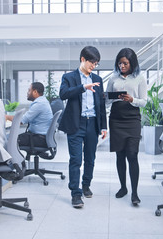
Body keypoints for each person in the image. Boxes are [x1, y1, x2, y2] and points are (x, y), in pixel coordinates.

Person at [59, 46, 107, 208]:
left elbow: (101, 104)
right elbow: (63, 94)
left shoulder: (98, 80)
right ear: (82, 59)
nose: (93, 66)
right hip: (75, 123)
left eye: (96, 63)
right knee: (76, 159)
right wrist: (82, 88)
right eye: (91, 62)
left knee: (90, 159)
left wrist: (104, 127)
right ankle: (75, 193)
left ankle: (86, 184)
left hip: (92, 123)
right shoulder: (69, 77)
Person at [106, 48, 146, 205]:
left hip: (132, 120)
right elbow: (107, 100)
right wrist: (111, 97)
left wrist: (132, 99)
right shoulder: (113, 78)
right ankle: (123, 187)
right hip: (116, 119)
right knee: (120, 156)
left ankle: (135, 193)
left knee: (132, 155)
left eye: (125, 63)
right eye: (120, 63)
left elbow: (144, 101)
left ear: (132, 63)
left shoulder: (140, 78)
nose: (122, 66)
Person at [6, 82, 53, 149]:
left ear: (35, 92)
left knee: (7, 139)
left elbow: (21, 121)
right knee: (9, 137)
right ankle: (15, 159)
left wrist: (7, 117)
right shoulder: (43, 102)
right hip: (39, 137)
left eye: (29, 90)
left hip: (39, 138)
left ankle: (14, 159)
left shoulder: (39, 104)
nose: (27, 93)